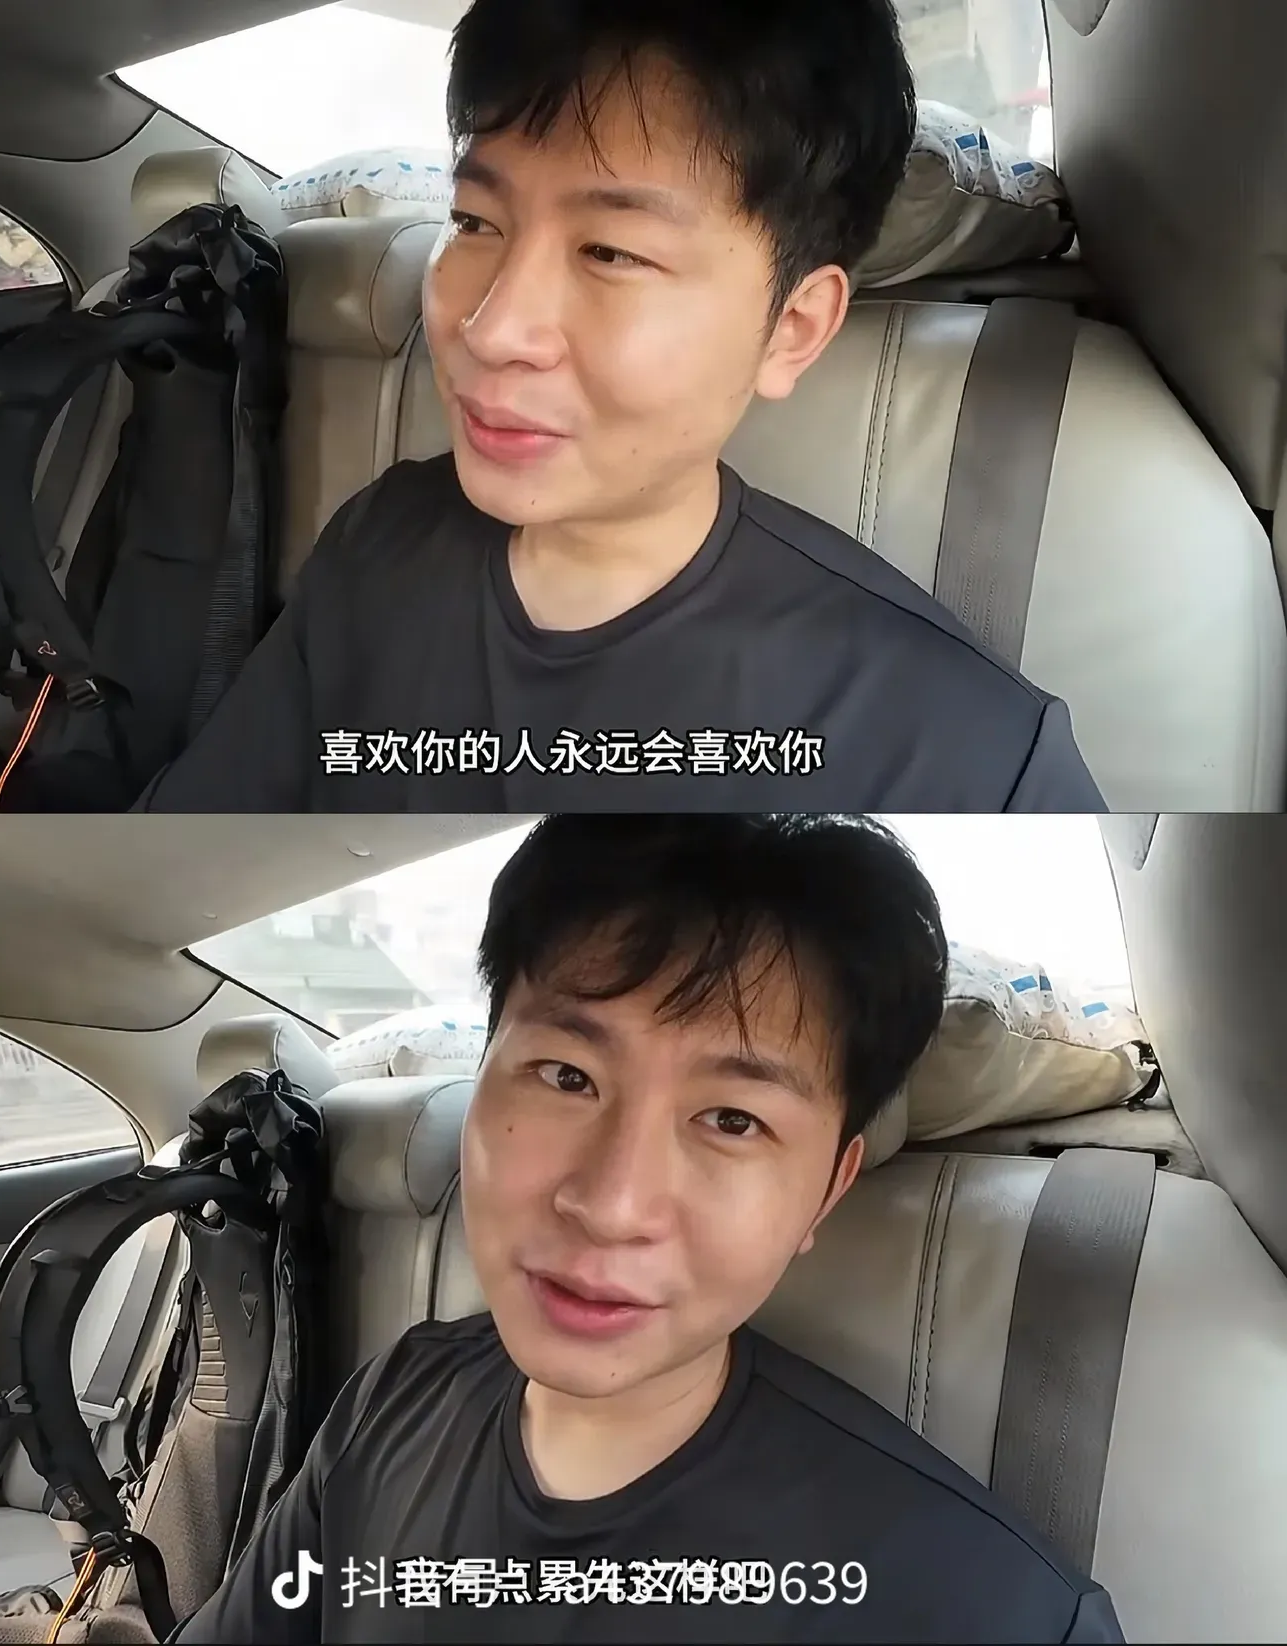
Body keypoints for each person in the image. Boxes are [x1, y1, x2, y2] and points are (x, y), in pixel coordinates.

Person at [175, 814, 1124, 1643]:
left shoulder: (987, 1610)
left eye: (733, 1120)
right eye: (566, 1077)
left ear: (825, 1193)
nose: (612, 1205)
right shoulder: (394, 1399)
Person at [141, 0, 1103, 814]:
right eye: (473, 221)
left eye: (610, 252)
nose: (491, 326)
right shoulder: (378, 542)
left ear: (791, 329)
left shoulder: (969, 757)